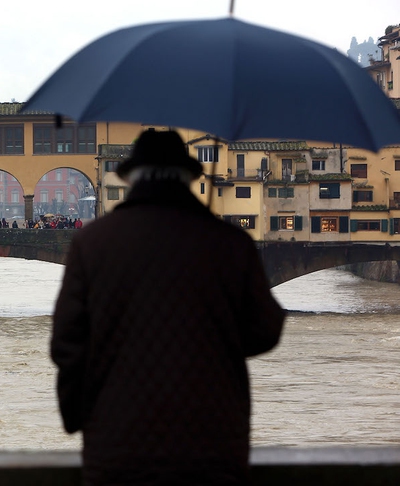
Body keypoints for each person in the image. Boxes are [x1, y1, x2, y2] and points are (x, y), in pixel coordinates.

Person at [51, 129, 285, 485]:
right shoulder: (229, 244)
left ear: (130, 179)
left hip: (117, 441)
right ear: (190, 177)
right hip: (212, 440)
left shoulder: (92, 243)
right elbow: (266, 330)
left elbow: (67, 342)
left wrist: (80, 417)